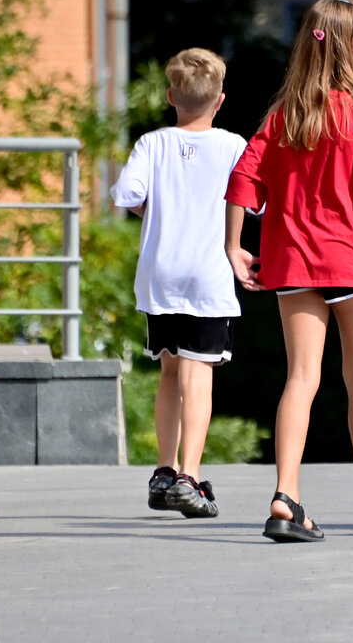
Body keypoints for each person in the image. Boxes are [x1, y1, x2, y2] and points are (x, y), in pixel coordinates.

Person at [224, 0, 353, 543]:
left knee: (300, 378)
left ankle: (285, 497)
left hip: (291, 261)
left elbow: (243, 177)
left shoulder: (283, 114)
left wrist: (234, 245)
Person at [111, 47, 247, 518]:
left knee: (170, 371)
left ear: (170, 96)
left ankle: (163, 470)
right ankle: (190, 475)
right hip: (208, 273)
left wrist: (154, 213)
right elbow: (257, 202)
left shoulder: (152, 143)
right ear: (220, 100)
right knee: (199, 374)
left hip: (160, 272)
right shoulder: (233, 146)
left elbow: (128, 194)